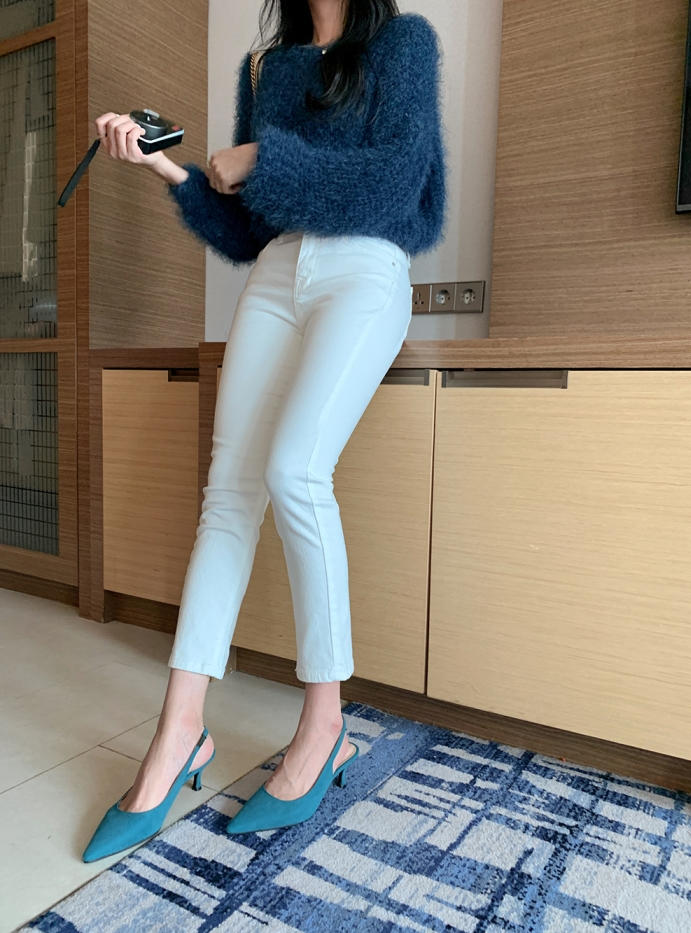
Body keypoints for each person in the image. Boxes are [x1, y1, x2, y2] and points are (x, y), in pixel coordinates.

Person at [82, 0, 446, 862]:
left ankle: (325, 723)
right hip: (279, 272)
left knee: (294, 471)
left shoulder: (403, 44)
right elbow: (248, 226)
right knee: (228, 492)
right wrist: (167, 168)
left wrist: (259, 157)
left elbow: (396, 179)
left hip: (365, 265)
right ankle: (179, 731)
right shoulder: (268, 67)